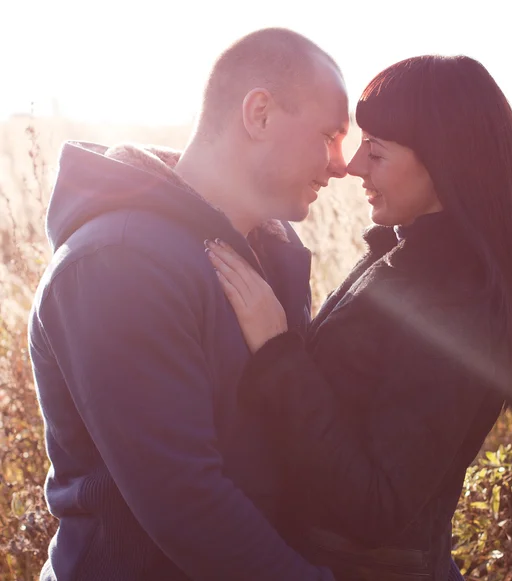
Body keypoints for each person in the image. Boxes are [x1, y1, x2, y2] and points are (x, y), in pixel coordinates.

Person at [206, 54, 512, 581]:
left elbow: (376, 507)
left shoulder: (454, 305)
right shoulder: (411, 261)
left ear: (446, 163)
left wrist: (278, 351)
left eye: (375, 151)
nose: (353, 166)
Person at [28, 28, 349, 581]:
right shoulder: (119, 262)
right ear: (260, 114)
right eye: (329, 135)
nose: (341, 165)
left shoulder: (274, 249)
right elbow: (186, 504)